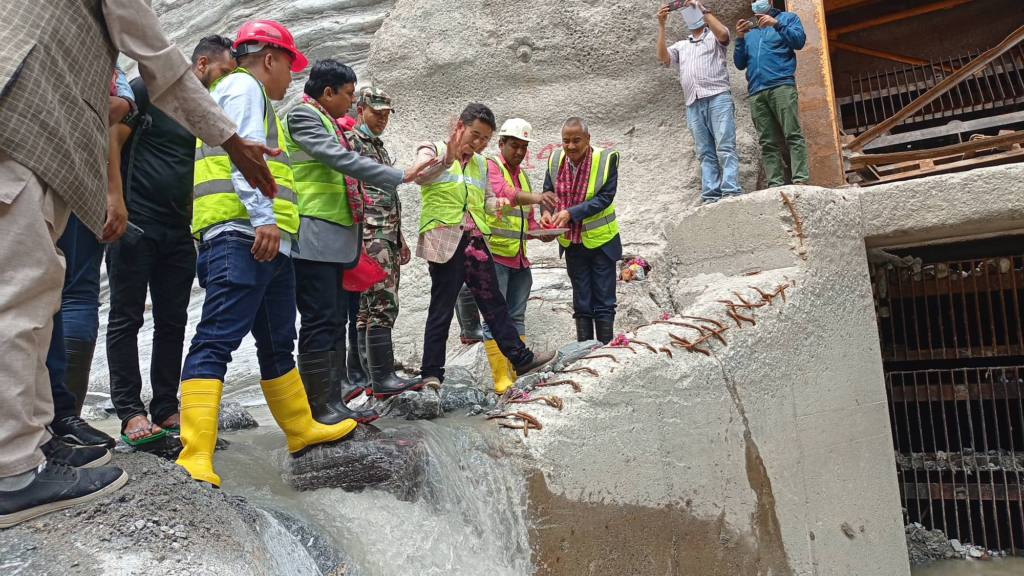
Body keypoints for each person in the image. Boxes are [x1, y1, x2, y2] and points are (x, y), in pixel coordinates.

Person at [0, 0, 278, 528]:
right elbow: (156, 56)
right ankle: (14, 471)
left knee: (37, 297)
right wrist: (231, 140)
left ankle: (34, 443)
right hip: (28, 130)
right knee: (22, 298)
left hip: (50, 150)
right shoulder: (153, 92)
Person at [177, 22, 372, 487]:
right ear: (270, 59)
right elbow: (248, 158)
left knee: (277, 340)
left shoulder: (248, 92)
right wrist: (263, 217)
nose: (291, 78)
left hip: (269, 239)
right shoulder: (244, 88)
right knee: (216, 339)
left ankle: (299, 428)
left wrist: (273, 227)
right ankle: (195, 453)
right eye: (289, 65)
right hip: (243, 233)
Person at [106, 36, 237, 447]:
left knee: (173, 320)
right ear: (201, 63)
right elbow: (111, 139)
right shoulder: (147, 91)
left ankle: (165, 405)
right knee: (127, 318)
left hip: (181, 229)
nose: (224, 81)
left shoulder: (207, 113)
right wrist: (116, 203)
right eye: (222, 72)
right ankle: (129, 410)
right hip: (136, 224)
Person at [285, 61, 430, 422]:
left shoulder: (329, 122)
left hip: (335, 237)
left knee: (334, 319)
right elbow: (341, 160)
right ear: (328, 92)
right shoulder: (303, 117)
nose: (351, 103)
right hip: (313, 234)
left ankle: (334, 401)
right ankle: (320, 406)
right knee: (321, 319)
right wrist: (401, 175)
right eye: (349, 95)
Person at [413, 103, 558, 388]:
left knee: (495, 305)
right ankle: (431, 373)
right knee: (441, 308)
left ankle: (521, 359)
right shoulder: (431, 148)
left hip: (476, 242)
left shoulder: (481, 163)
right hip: (445, 241)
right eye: (475, 135)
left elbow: (487, 200)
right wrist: (446, 158)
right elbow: (419, 175)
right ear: (460, 127)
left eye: (485, 139)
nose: (479, 143)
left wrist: (498, 204)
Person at [44, 66, 135, 450]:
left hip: (59, 180)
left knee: (54, 293)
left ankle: (58, 417)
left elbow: (122, 107)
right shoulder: (103, 63)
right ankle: (63, 418)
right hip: (74, 179)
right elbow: (117, 108)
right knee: (70, 294)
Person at [346, 87, 424, 398]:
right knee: (382, 304)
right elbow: (356, 192)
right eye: (376, 112)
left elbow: (385, 196)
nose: (381, 118)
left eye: (386, 114)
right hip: (371, 234)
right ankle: (383, 379)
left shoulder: (376, 146)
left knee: (368, 307)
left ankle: (370, 376)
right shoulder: (353, 143)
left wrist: (399, 237)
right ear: (360, 108)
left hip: (384, 233)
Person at [480, 118, 558, 393]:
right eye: (515, 145)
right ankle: (501, 379)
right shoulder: (491, 166)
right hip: (496, 257)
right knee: (494, 317)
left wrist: (545, 231)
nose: (520, 152)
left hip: (520, 257)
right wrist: (537, 197)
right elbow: (504, 194)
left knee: (516, 316)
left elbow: (529, 220)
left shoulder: (522, 175)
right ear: (501, 143)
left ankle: (518, 368)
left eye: (524, 147)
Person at [540, 118, 622, 345]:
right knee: (581, 300)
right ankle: (585, 351)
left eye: (576, 140)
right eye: (566, 141)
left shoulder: (606, 160)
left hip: (602, 242)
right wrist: (546, 212)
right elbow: (548, 193)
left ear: (587, 138)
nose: (571, 146)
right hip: (572, 242)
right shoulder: (556, 159)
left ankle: (605, 350)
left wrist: (570, 213)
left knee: (604, 300)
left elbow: (605, 199)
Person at [656, 1, 742, 203]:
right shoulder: (682, 45)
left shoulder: (713, 35)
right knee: (704, 152)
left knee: (725, 146)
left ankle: (730, 191)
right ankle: (711, 195)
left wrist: (702, 8)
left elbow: (724, 35)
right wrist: (661, 24)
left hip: (718, 96)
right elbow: (662, 57)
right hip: (693, 103)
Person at [734, 0, 808, 187]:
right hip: (756, 91)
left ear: (770, 1)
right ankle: (775, 183)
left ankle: (800, 178)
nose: (756, 2)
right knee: (767, 141)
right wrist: (740, 38)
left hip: (781, 84)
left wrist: (777, 24)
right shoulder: (749, 28)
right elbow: (740, 63)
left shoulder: (787, 18)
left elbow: (799, 41)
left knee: (792, 133)